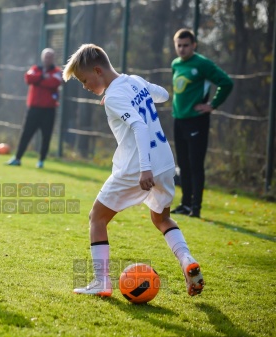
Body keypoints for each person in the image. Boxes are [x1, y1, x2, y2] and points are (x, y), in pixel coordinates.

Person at [62, 44, 204, 297]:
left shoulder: (115, 96)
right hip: (165, 162)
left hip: (138, 167)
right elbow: (162, 95)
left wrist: (144, 169)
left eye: (84, 80)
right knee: (161, 218)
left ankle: (101, 282)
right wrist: (138, 92)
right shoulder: (134, 81)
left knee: (97, 217)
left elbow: (138, 126)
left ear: (97, 70)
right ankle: (187, 261)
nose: (84, 86)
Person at [170, 28, 233, 218]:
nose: (182, 49)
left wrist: (212, 105)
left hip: (197, 121)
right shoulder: (175, 64)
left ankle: (196, 207)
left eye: (186, 45)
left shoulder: (203, 64)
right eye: (179, 45)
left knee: (195, 164)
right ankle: (185, 204)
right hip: (178, 120)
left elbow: (226, 82)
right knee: (183, 164)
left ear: (194, 45)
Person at [6, 48, 62, 169]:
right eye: (46, 56)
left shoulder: (57, 71)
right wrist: (43, 77)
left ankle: (41, 161)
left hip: (49, 110)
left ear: (53, 59)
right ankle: (17, 158)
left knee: (46, 136)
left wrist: (39, 80)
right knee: (26, 134)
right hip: (34, 109)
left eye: (50, 57)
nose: (48, 59)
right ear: (42, 57)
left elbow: (54, 82)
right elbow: (29, 78)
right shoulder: (35, 68)